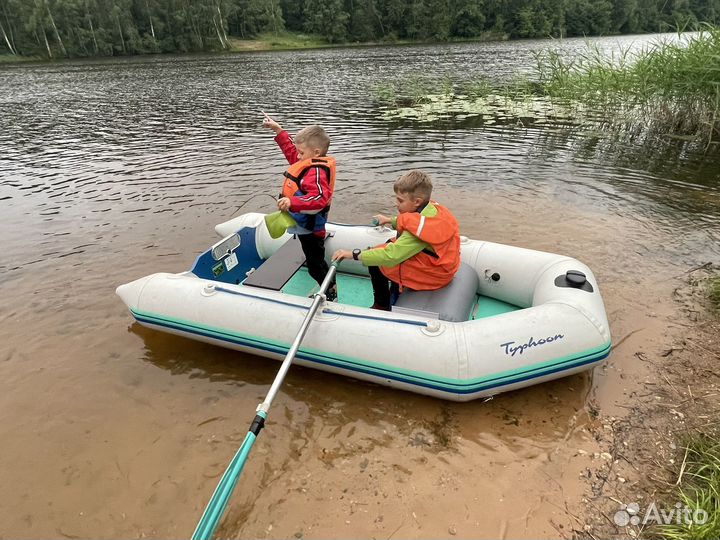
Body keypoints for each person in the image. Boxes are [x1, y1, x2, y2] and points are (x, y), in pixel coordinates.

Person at [332, 170, 460, 310]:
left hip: (434, 275)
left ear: (417, 201)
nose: (396, 204)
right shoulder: (432, 208)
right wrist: (389, 220)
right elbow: (410, 221)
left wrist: (352, 254)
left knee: (377, 264)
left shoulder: (417, 235)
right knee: (387, 244)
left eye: (400, 200)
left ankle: (382, 305)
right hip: (441, 266)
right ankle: (393, 289)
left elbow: (391, 256)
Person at [262, 115, 337, 301]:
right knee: (313, 259)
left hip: (312, 228)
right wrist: (279, 131)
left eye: (301, 153)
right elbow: (291, 153)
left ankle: (330, 292)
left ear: (317, 152)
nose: (298, 156)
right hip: (304, 225)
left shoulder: (317, 172)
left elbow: (319, 198)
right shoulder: (307, 162)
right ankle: (328, 287)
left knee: (315, 264)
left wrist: (292, 202)